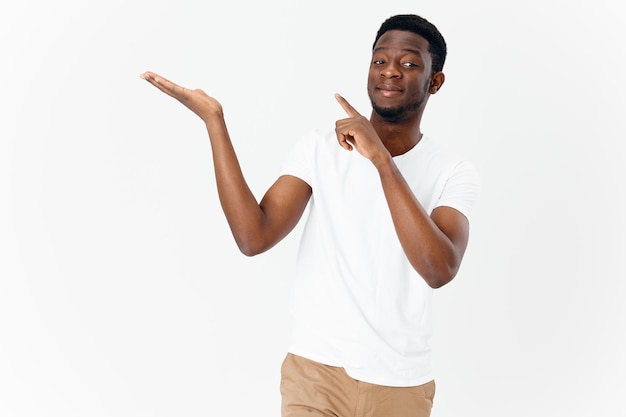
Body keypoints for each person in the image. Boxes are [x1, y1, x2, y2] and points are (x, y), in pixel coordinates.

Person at [141, 13, 479, 417]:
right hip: (315, 375)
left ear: (434, 82)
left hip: (400, 383)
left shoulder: (453, 171)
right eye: (379, 60)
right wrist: (214, 121)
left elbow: (438, 269)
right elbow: (254, 237)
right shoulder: (319, 149)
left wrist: (382, 162)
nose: (390, 71)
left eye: (409, 63)